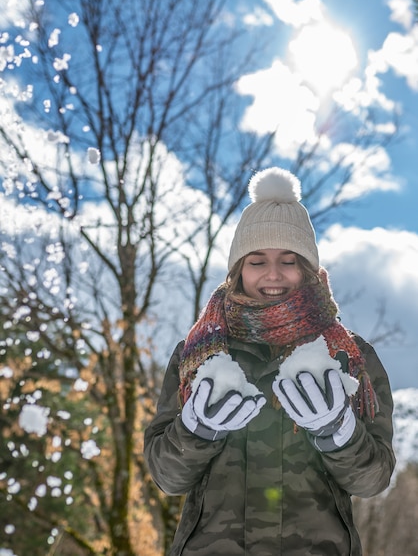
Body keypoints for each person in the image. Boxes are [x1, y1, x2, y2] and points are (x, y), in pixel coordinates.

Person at [144, 167, 395, 556]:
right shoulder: (198, 355)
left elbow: (372, 480)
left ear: (309, 269)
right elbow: (167, 477)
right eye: (257, 261)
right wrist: (196, 429)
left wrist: (338, 430)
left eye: (289, 260)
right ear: (237, 271)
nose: (273, 275)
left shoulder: (348, 356)